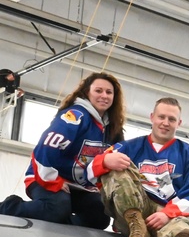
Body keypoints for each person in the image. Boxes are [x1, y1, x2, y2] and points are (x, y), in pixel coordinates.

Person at [0, 72, 126, 228]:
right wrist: (53, 180)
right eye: (98, 91)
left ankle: (57, 225)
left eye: (109, 92)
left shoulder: (113, 128)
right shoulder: (75, 115)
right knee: (58, 208)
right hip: (44, 176)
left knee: (100, 217)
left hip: (78, 186)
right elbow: (45, 148)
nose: (104, 96)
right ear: (87, 92)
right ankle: (8, 206)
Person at [97, 97, 189, 237]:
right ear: (152, 117)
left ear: (179, 123)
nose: (165, 123)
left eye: (171, 119)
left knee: (182, 230)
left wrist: (166, 214)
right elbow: (90, 171)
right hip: (135, 212)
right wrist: (104, 161)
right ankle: (139, 232)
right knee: (115, 165)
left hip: (170, 216)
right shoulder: (127, 147)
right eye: (161, 117)